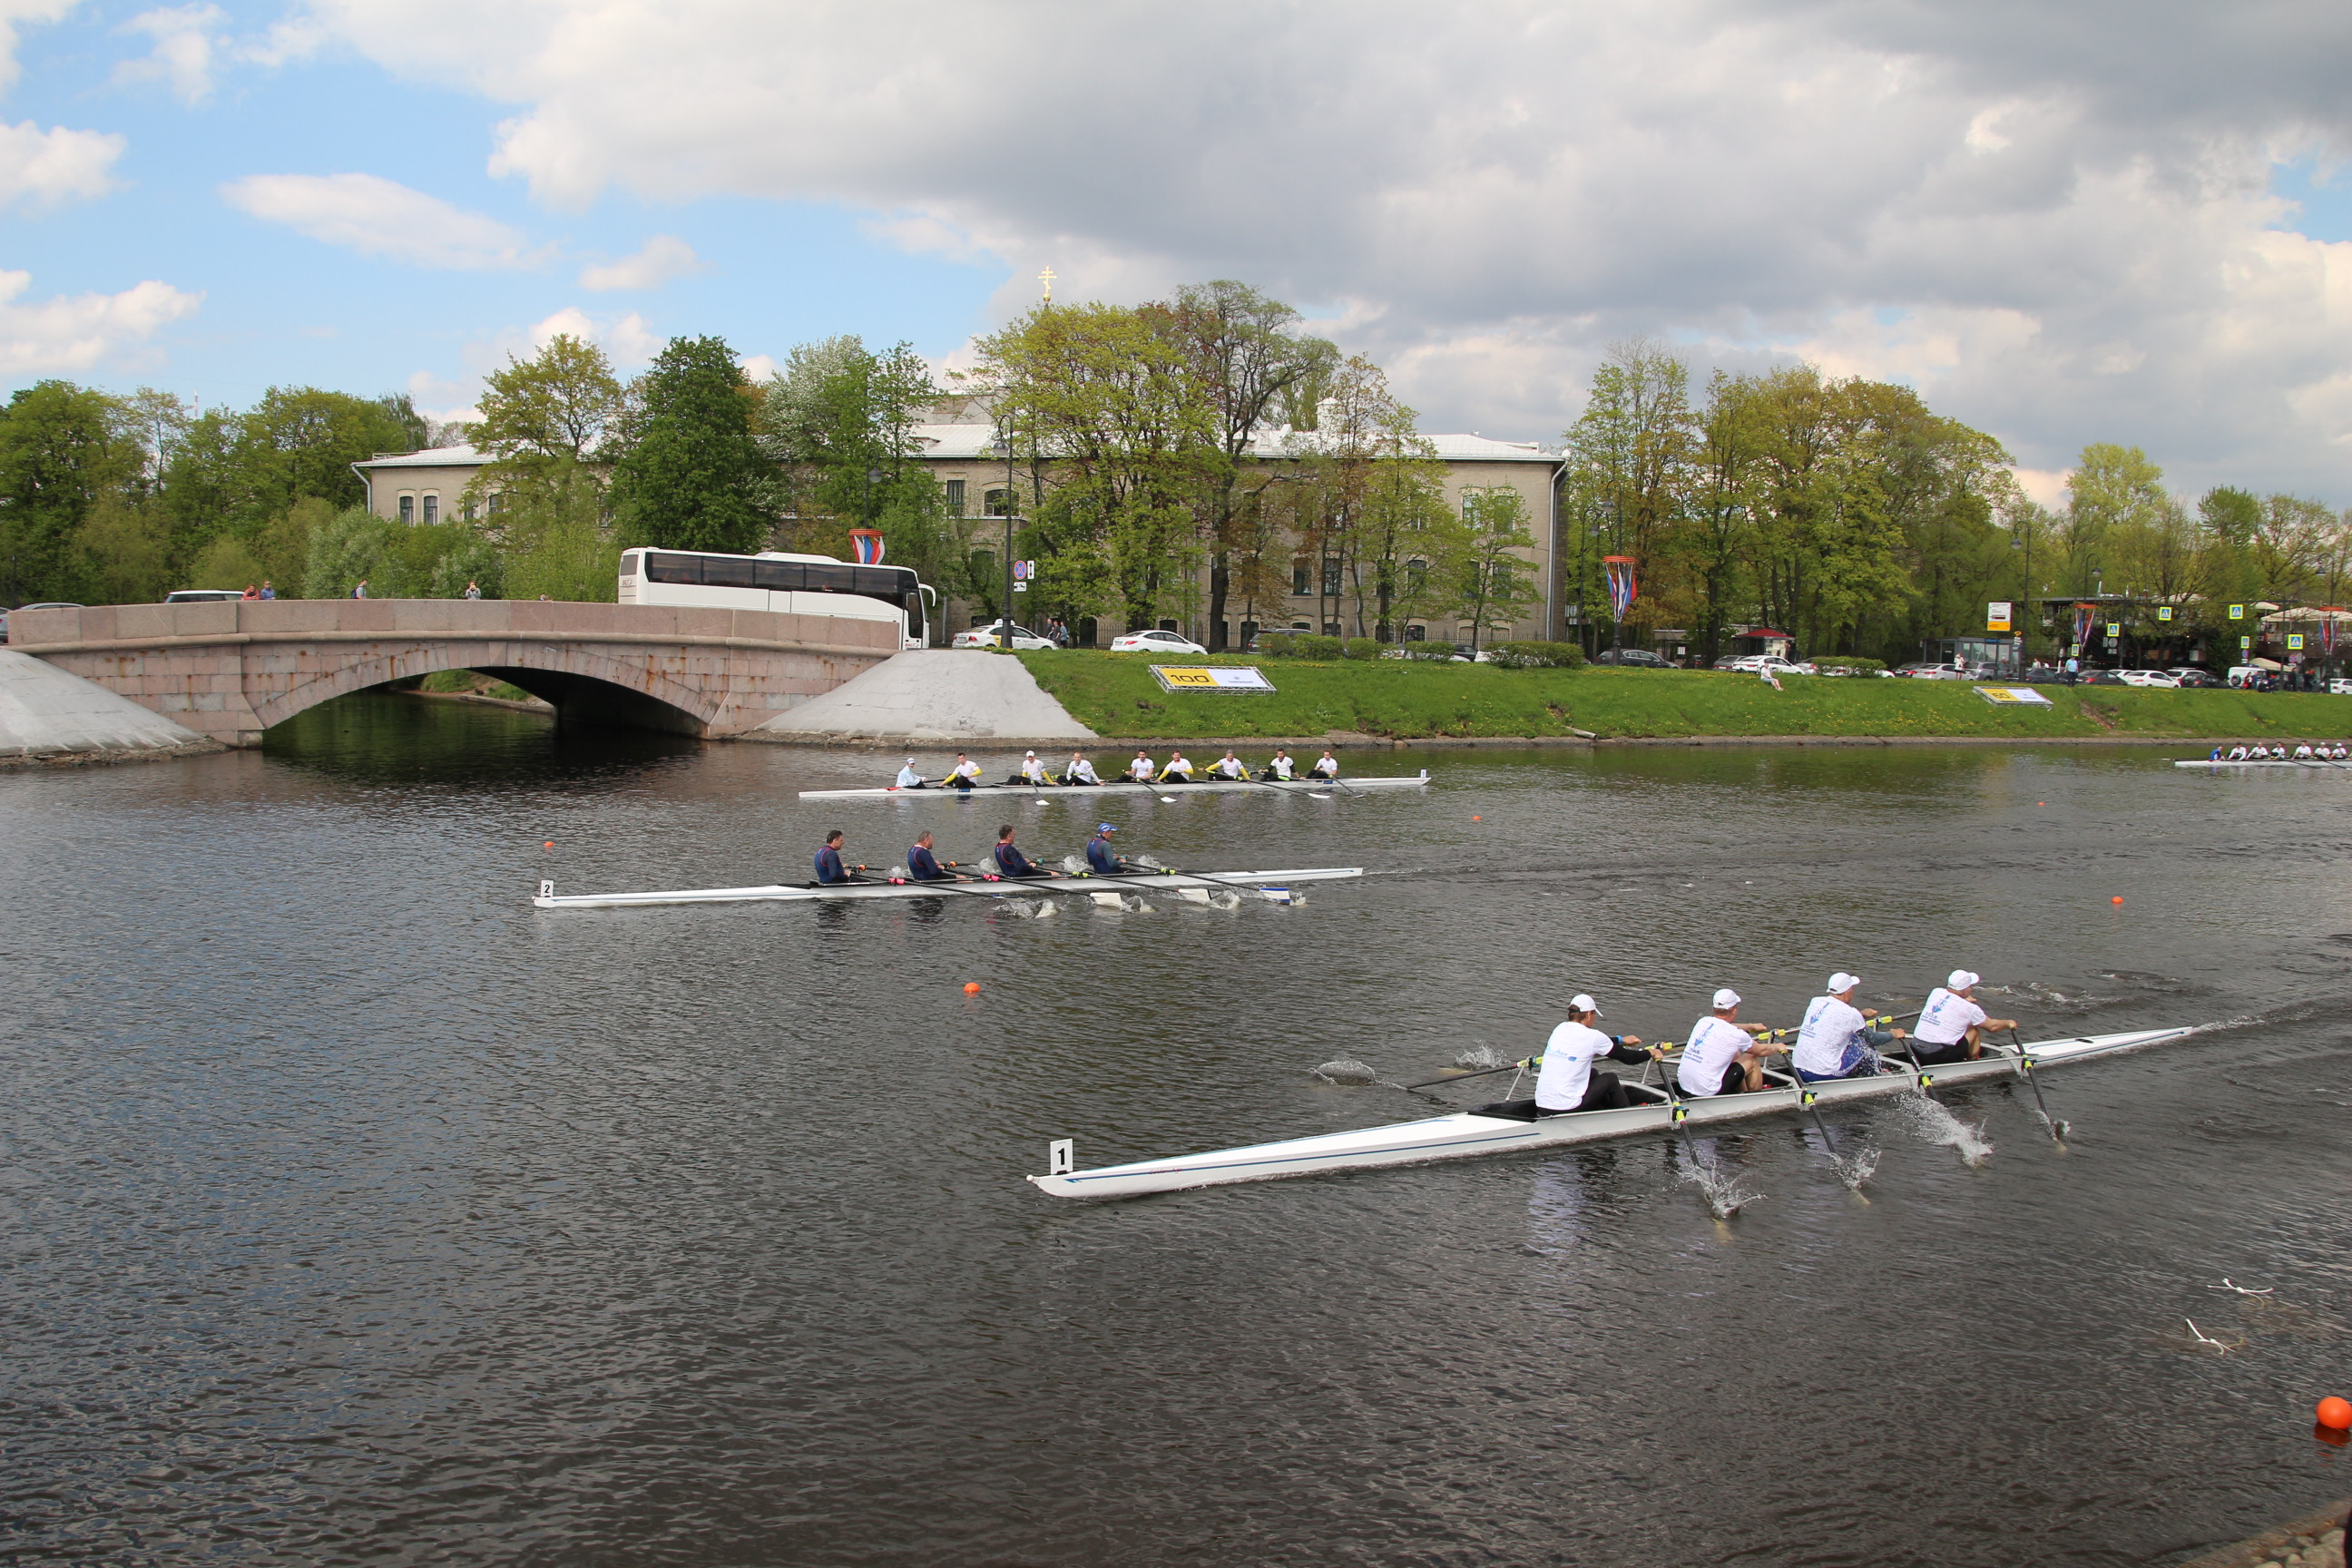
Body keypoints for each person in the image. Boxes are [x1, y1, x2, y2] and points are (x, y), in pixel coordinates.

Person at [1533, 994, 1659, 1113]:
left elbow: (1597, 1042)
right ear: (1589, 1014)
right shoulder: (1592, 1036)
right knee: (1610, 1078)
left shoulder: (1559, 1029)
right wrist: (1651, 1052)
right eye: (1594, 1015)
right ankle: (1627, 1115)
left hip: (1542, 1104)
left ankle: (1602, 1108)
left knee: (1592, 1074)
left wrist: (1622, 1040)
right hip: (1567, 1107)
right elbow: (1629, 1058)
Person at [1792, 973, 1908, 1083]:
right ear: (1847, 991)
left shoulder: (1816, 1002)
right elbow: (1874, 1039)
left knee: (1852, 1036)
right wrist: (1892, 1034)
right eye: (1852, 989)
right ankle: (1875, 1077)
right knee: (1863, 1043)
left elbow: (1834, 1020)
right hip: (1822, 1073)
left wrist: (1861, 1015)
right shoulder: (1851, 1013)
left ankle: (1862, 1071)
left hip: (1796, 1067)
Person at [1678, 987, 1777, 1098]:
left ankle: (1742, 1093)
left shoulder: (1703, 1021)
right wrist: (1779, 1047)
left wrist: (1750, 1026)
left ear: (1714, 1008)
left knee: (1736, 1054)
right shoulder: (1737, 1035)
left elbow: (1725, 1026)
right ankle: (1755, 1099)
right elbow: (1761, 1051)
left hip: (1684, 1085)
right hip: (1706, 1091)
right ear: (1734, 1010)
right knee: (1751, 1059)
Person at [1911, 971, 2017, 1064]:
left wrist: (1964, 1001)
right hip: (1936, 1055)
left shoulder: (1936, 992)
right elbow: (1992, 1027)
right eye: (1970, 986)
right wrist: (2008, 1023)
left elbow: (1951, 1004)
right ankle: (1972, 1062)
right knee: (1973, 1029)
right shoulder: (1970, 1008)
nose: (1971, 989)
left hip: (1915, 1049)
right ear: (1965, 989)